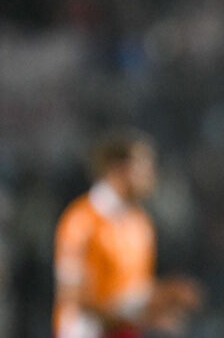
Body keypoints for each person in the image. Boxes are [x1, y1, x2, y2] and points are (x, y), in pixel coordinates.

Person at [53, 130, 202, 338]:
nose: (151, 175)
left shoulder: (140, 224)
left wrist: (163, 297)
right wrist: (140, 314)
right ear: (118, 168)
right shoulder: (81, 221)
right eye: (144, 166)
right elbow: (76, 299)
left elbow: (134, 293)